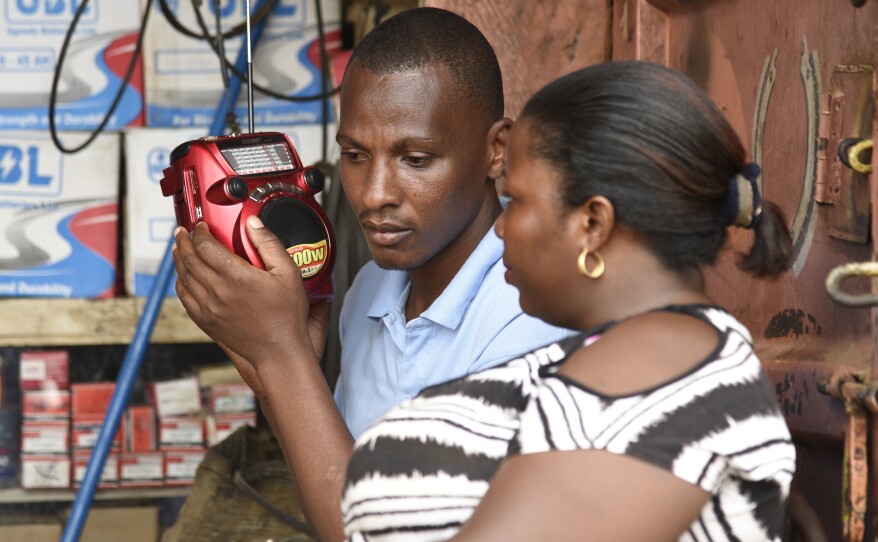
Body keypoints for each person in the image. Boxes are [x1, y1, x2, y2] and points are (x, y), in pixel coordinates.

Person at [340, 60, 796, 541]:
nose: (500, 226)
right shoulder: (655, 352)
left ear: (592, 225)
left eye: (517, 202)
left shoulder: (659, 375)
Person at [171, 7, 573, 541]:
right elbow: (331, 489)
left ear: (495, 150)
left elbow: (370, 531)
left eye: (416, 158)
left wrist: (281, 357)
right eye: (355, 155)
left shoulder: (534, 316)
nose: (374, 193)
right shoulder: (370, 291)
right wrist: (272, 372)